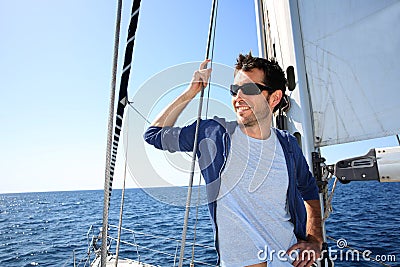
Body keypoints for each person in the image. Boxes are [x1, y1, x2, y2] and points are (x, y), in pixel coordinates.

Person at [144, 53, 322, 267]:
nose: (238, 97)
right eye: (234, 90)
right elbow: (154, 134)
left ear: (274, 98)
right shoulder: (211, 135)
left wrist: (315, 239)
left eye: (249, 89)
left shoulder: (288, 145)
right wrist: (191, 92)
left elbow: (310, 191)